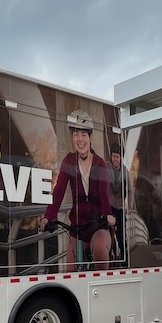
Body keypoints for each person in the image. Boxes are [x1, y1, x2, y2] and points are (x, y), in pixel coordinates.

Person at [39, 110, 115, 270]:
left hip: (97, 225)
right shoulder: (69, 161)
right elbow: (59, 190)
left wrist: (108, 214)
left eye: (84, 135)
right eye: (76, 134)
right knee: (70, 271)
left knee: (100, 250)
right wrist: (48, 217)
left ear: (90, 138)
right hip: (77, 228)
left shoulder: (100, 163)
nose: (80, 139)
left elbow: (103, 192)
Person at [107, 142, 132, 264]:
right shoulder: (105, 168)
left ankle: (124, 258)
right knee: (106, 232)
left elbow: (130, 191)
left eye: (117, 157)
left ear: (121, 158)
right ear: (111, 156)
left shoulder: (125, 171)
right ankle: (107, 256)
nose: (115, 159)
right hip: (109, 206)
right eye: (113, 156)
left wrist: (129, 207)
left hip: (120, 206)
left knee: (122, 236)